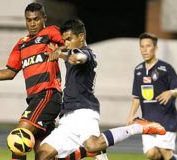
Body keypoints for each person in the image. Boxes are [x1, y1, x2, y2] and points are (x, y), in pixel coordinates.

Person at [36, 19, 166, 160]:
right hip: (67, 116)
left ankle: (137, 127)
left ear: (81, 37)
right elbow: (70, 54)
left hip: (83, 110)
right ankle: (86, 152)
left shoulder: (86, 53)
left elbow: (81, 57)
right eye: (64, 40)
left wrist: (68, 56)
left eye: (69, 39)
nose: (66, 43)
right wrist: (60, 53)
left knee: (93, 144)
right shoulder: (71, 51)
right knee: (42, 155)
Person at [0, 2, 64, 160]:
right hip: (34, 100)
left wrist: (59, 50)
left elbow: (71, 43)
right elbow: (9, 72)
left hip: (48, 95)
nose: (33, 23)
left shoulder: (50, 32)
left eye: (36, 19)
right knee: (43, 154)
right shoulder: (21, 44)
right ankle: (90, 150)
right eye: (29, 20)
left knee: (20, 136)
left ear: (44, 18)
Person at [127, 32, 177, 160]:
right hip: (148, 121)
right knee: (151, 154)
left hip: (166, 119)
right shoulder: (138, 70)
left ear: (155, 48)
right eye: (142, 46)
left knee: (165, 152)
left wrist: (170, 92)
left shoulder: (165, 68)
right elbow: (137, 96)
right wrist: (131, 115)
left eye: (148, 46)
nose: (144, 50)